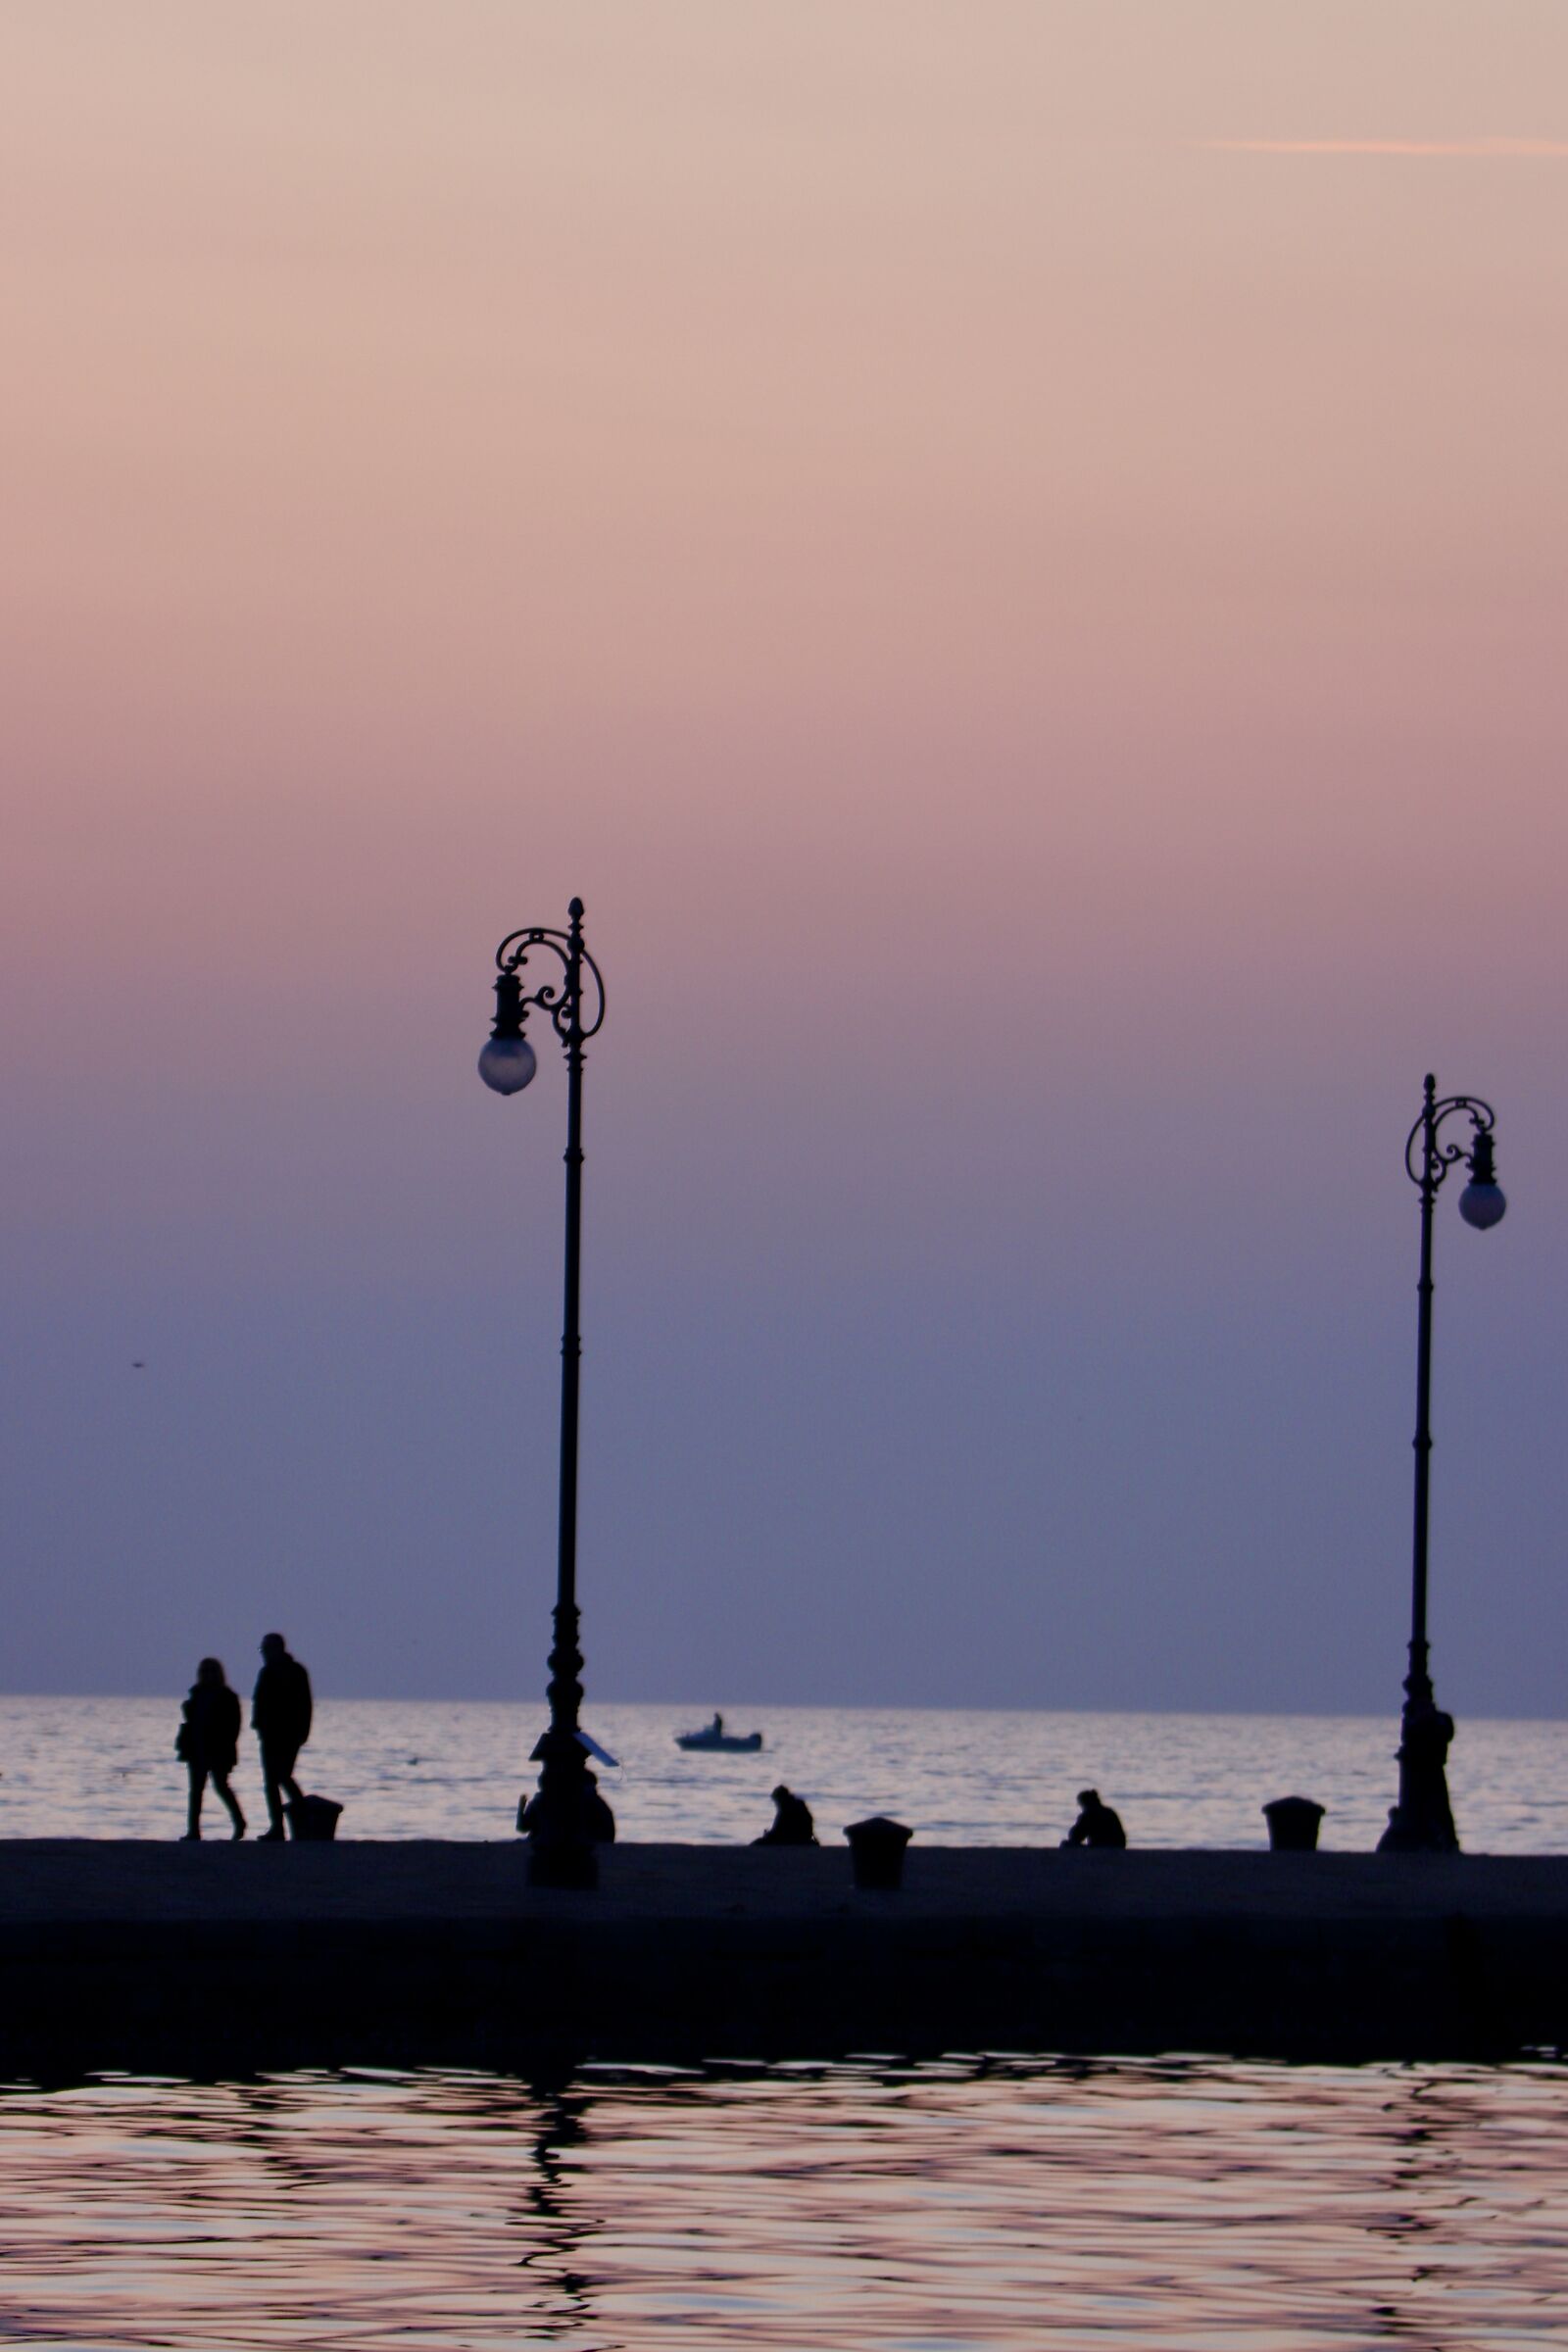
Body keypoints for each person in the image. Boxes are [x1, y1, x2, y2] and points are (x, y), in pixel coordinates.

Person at [252, 1632, 313, 1841]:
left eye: (266, 1649)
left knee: (283, 1776)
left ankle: (303, 1820)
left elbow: (305, 1704)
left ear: (278, 1649)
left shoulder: (296, 1672)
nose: (264, 1654)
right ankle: (277, 1827)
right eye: (262, 1650)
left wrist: (303, 1732)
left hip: (289, 1734)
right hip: (269, 1734)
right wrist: (258, 1725)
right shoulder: (266, 1672)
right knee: (271, 1781)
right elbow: (258, 1701)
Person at [176, 1657, 246, 1840]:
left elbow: (234, 1726)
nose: (208, 1675)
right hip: (196, 1748)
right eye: (204, 1671)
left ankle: (239, 1822)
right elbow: (192, 1721)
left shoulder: (228, 1696)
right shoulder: (197, 1694)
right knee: (196, 1790)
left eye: (211, 1671)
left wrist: (226, 1746)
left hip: (219, 1749)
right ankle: (193, 1830)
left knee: (221, 1786)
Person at [1061, 1788, 1126, 1849]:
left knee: (1065, 1844)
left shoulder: (1088, 1814)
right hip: (1117, 1848)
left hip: (1099, 1849)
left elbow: (1075, 1837)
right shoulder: (1110, 1812)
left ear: (1084, 1803)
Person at [754, 1785, 818, 1845]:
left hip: (789, 1841)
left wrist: (767, 1834)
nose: (776, 1804)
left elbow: (776, 1833)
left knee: (758, 1843)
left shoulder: (785, 1810)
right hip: (803, 1840)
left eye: (776, 1801)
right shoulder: (801, 1806)